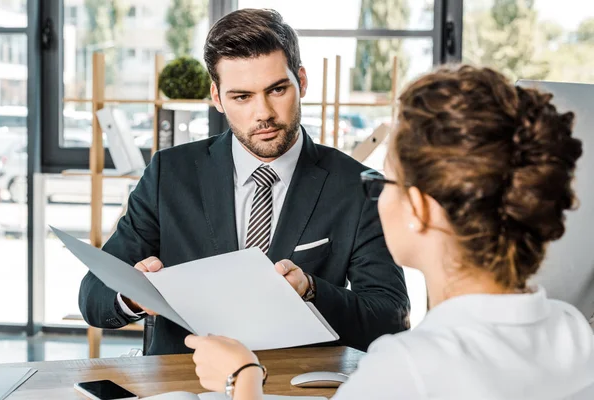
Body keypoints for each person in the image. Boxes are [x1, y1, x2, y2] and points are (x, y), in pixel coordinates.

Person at [183, 65, 594, 399]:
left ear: (418, 209)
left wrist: (242, 378)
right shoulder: (574, 333)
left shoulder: (406, 370)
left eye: (383, 185)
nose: (376, 198)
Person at [78, 8, 410, 355]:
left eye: (277, 90)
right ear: (217, 97)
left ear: (302, 82)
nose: (263, 113)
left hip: (297, 386)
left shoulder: (358, 187)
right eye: (242, 97)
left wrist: (311, 289)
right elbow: (93, 297)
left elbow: (390, 319)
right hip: (185, 384)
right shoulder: (169, 174)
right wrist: (134, 294)